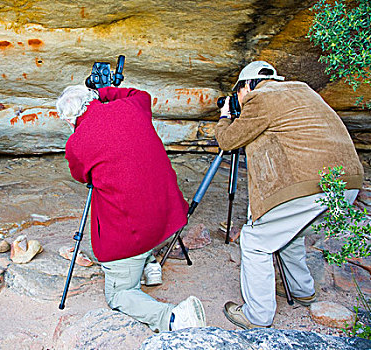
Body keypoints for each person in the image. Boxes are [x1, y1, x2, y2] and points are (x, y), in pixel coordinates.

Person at [215, 61, 364, 329]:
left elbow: (228, 141)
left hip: (309, 185)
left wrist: (226, 115)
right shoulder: (303, 91)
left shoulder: (261, 98)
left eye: (238, 92)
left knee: (255, 242)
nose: (239, 98)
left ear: (248, 84)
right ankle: (302, 290)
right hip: (347, 184)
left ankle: (256, 316)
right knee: (289, 233)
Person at [56, 85, 206, 332]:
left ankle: (174, 319)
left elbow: (81, 176)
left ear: (70, 119)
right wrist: (102, 93)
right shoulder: (131, 106)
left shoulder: (77, 142)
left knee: (119, 294)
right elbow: (142, 94)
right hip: (167, 217)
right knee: (138, 196)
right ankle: (149, 264)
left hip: (133, 233)